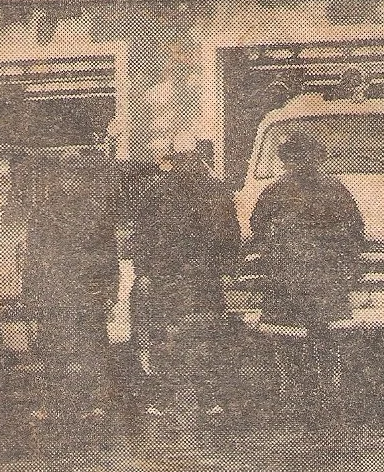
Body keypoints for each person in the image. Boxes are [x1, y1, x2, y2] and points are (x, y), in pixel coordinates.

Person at [249, 132, 364, 418]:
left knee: (319, 336)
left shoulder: (333, 191)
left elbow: (354, 233)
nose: (300, 163)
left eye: (306, 156)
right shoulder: (277, 192)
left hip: (315, 279)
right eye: (293, 158)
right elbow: (259, 229)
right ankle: (302, 391)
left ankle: (321, 391)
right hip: (294, 279)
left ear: (318, 158)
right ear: (286, 160)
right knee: (294, 337)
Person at [128, 137, 240, 429]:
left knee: (164, 339)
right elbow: (231, 238)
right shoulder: (216, 191)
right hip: (203, 278)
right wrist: (227, 270)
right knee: (206, 337)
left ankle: (162, 400)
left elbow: (142, 238)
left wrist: (145, 272)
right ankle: (211, 400)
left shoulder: (156, 191)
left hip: (168, 277)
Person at [19, 150, 121, 452]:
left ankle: (84, 405)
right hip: (66, 291)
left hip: (73, 291)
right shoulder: (54, 212)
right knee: (62, 349)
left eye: (75, 174)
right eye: (67, 174)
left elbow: (108, 258)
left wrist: (109, 289)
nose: (70, 180)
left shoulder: (56, 212)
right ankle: (69, 405)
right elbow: (34, 259)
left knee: (81, 349)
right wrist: (32, 295)